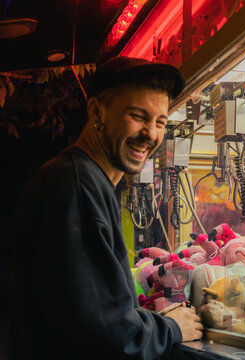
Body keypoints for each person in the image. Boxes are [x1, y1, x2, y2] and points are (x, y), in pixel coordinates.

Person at [10, 56, 202, 359]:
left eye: (160, 122)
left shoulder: (83, 179)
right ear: (97, 112)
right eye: (138, 116)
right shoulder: (76, 187)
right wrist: (171, 328)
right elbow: (109, 335)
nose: (151, 134)